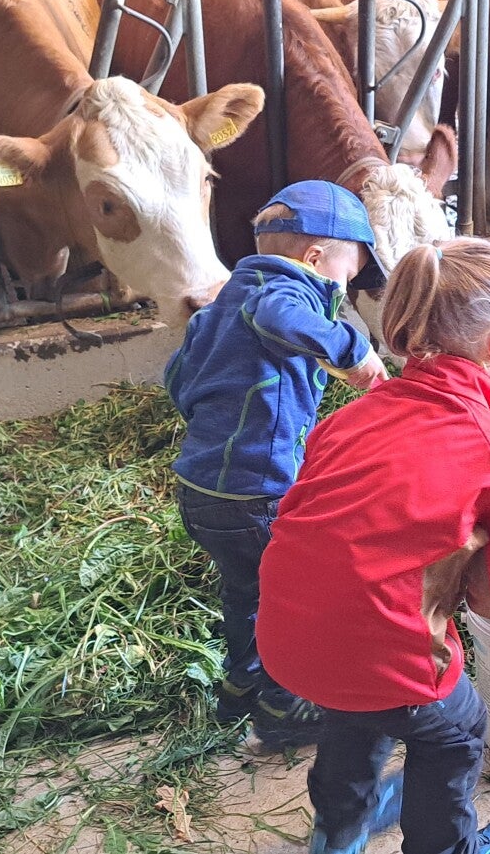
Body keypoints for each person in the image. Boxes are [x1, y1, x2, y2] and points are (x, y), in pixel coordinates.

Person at [256, 239, 490, 854]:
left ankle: (339, 829)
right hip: (375, 651)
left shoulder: (346, 420)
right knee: (460, 727)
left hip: (287, 639)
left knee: (355, 696)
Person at [164, 180, 391, 749]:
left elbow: (178, 376)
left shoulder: (222, 305)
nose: (343, 291)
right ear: (313, 258)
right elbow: (279, 316)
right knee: (293, 596)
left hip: (201, 488)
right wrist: (356, 352)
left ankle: (239, 687)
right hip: (255, 491)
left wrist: (213, 418)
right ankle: (281, 707)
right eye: (345, 277)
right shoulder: (278, 294)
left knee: (246, 590)